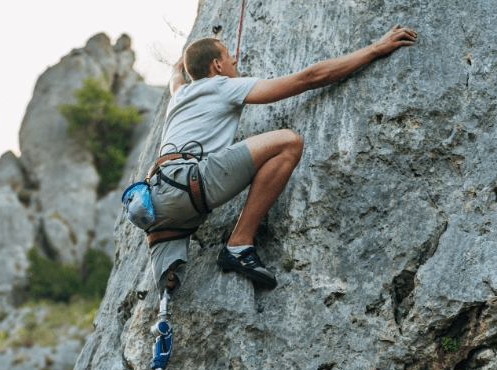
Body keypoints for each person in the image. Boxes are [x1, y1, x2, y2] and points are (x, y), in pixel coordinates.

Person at [145, 24, 417, 296]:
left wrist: (187, 58)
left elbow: (175, 74)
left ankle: (168, 286)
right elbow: (309, 78)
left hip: (156, 201)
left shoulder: (179, 95)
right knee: (289, 142)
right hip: (190, 185)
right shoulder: (223, 86)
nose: (235, 60)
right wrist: (375, 48)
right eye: (228, 56)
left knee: (169, 296)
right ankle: (238, 245)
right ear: (216, 65)